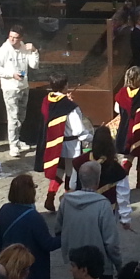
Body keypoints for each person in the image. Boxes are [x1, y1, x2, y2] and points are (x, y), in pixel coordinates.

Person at [56, 162, 123, 279]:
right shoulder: (103, 205)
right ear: (98, 181)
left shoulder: (66, 201)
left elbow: (58, 229)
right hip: (100, 266)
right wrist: (119, 266)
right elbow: (111, 242)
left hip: (78, 263)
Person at [0, 173, 61, 279]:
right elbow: (48, 244)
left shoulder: (5, 209)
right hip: (28, 271)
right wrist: (65, 235)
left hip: (8, 266)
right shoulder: (34, 217)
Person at [35, 72, 93, 211]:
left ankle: (50, 196)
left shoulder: (46, 101)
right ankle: (68, 204)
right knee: (72, 173)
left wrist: (67, 101)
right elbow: (78, 130)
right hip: (71, 145)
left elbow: (57, 108)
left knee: (59, 169)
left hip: (53, 143)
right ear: (65, 86)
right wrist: (92, 137)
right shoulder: (70, 107)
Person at [0, 25, 39, 157]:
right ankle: (13, 144)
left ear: (21, 38)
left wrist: (34, 51)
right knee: (13, 117)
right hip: (10, 88)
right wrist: (11, 74)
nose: (12, 40)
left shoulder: (24, 48)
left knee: (21, 116)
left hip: (23, 86)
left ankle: (17, 140)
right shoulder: (3, 50)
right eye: (10, 37)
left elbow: (34, 65)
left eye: (15, 38)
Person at [72, 126, 131, 226]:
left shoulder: (79, 162)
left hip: (83, 214)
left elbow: (72, 185)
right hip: (107, 216)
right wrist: (125, 219)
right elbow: (123, 196)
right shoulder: (117, 169)